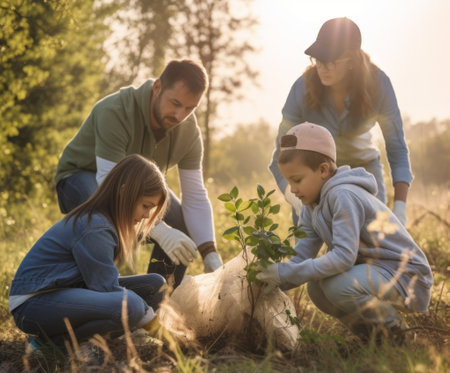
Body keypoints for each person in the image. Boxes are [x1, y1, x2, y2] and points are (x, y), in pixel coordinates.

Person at [258, 123, 433, 342]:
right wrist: (273, 280)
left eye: (297, 180)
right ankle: (372, 337)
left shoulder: (343, 195)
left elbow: (343, 257)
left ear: (322, 170)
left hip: (405, 275)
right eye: (289, 181)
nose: (292, 189)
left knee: (336, 286)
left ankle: (398, 333)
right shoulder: (311, 205)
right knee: (316, 289)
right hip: (375, 272)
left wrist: (284, 273)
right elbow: (302, 256)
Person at [55, 59, 222, 287]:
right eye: (174, 103)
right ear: (157, 88)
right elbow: (109, 186)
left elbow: (194, 195)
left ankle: (156, 305)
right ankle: (98, 298)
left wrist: (210, 252)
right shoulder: (115, 111)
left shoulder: (189, 132)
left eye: (190, 108)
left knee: (183, 225)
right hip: (82, 177)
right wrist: (160, 231)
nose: (179, 115)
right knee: (101, 219)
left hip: (137, 185)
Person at [10, 155, 169, 351]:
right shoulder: (96, 226)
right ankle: (49, 346)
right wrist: (164, 335)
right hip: (34, 303)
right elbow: (106, 288)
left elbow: (102, 286)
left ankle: (92, 339)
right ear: (124, 192)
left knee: (156, 285)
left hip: (68, 290)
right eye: (146, 206)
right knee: (133, 306)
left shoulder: (106, 222)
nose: (146, 215)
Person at [269, 17, 412, 226]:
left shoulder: (379, 85)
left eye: (331, 61)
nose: (322, 67)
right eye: (318, 59)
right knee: (304, 249)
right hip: (317, 171)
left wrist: (400, 208)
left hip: (364, 170)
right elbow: (281, 153)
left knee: (372, 245)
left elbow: (397, 149)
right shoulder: (301, 89)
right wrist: (296, 199)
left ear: (352, 61)